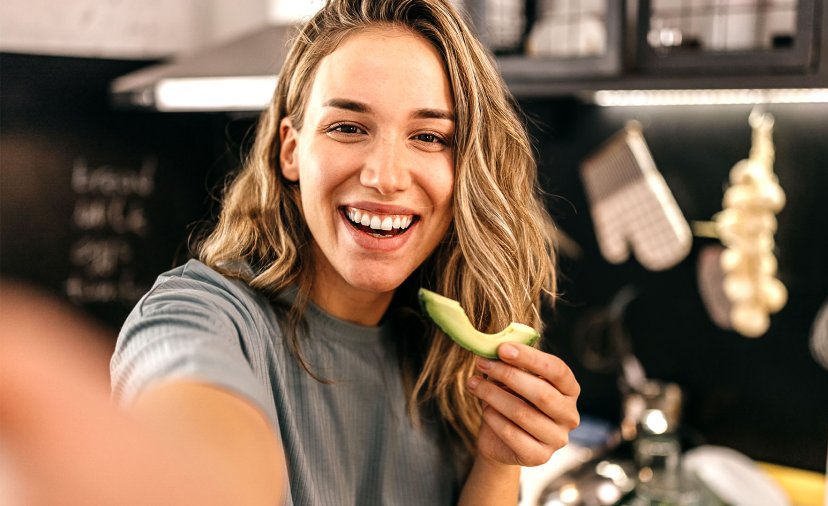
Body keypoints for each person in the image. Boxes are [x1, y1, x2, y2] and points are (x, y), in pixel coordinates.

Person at [110, 0, 581, 504]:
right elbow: (181, 399)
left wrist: (498, 457)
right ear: (291, 151)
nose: (385, 177)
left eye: (428, 136)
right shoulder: (203, 314)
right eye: (348, 128)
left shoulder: (451, 365)